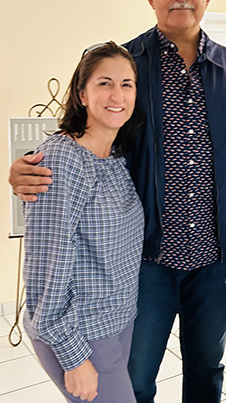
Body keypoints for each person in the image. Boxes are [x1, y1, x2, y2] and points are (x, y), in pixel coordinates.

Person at [10, 0, 226, 403]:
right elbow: (89, 131)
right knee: (135, 376)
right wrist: (25, 165)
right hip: (145, 262)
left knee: (207, 370)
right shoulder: (129, 66)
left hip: (214, 260)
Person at [23, 42, 144, 402]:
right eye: (104, 83)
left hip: (116, 323)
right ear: (82, 94)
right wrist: (74, 357)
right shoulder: (63, 159)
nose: (117, 94)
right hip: (81, 333)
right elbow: (47, 269)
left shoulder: (114, 158)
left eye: (127, 84)